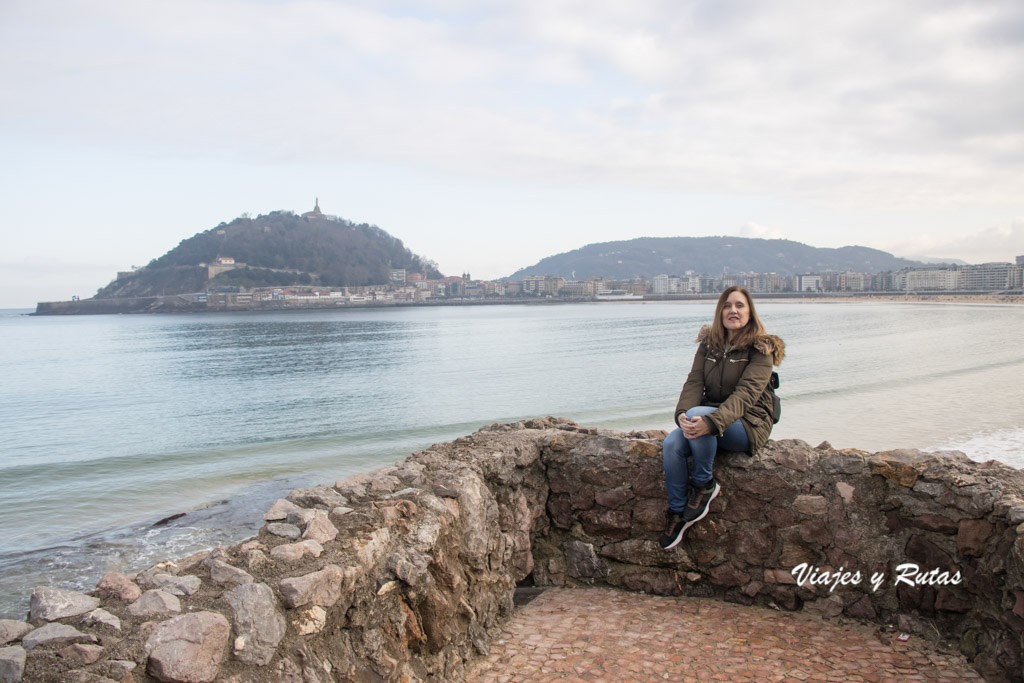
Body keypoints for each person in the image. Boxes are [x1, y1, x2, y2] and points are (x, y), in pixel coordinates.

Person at [660, 286, 785, 550]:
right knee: (671, 444)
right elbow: (694, 381)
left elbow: (746, 395)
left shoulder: (761, 349)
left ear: (750, 312)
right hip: (707, 418)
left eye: (739, 305)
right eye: (727, 306)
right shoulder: (709, 345)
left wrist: (712, 421)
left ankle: (704, 484)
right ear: (720, 312)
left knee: (698, 415)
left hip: (748, 423)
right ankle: (678, 512)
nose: (733, 311)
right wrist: (682, 414)